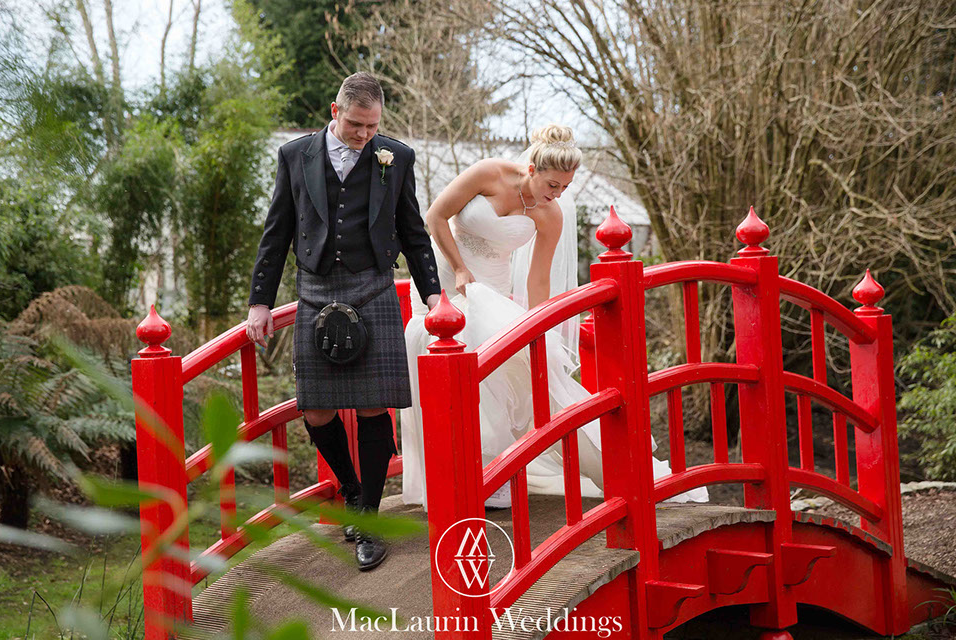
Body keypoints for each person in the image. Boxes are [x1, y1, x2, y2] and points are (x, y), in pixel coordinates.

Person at [400, 124, 709, 508]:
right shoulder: (487, 173)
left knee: (501, 373)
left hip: (492, 292)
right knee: (438, 367)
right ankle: (451, 475)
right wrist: (460, 268)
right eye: (552, 185)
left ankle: (490, 469)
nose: (557, 194)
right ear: (531, 169)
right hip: (446, 279)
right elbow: (434, 216)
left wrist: (536, 325)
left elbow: (538, 278)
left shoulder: (551, 215)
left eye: (564, 187)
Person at [246, 72, 441, 570]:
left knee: (376, 408)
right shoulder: (295, 156)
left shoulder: (396, 157)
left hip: (373, 287)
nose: (364, 136)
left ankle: (370, 522)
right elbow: (277, 232)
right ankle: (353, 493)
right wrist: (260, 302)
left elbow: (413, 232)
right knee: (315, 410)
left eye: (373, 126)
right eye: (356, 124)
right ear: (335, 112)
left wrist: (434, 295)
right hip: (315, 292)